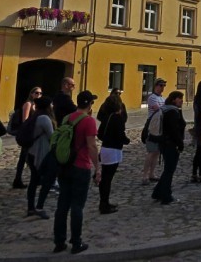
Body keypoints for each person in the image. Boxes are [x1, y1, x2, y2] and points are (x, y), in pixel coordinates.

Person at [53, 90, 100, 254]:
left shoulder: (68, 118)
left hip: (65, 164)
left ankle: (59, 241)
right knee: (77, 206)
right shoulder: (88, 121)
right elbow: (92, 146)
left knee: (62, 205)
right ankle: (76, 242)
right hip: (81, 166)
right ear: (89, 104)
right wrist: (98, 167)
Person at [97, 89, 129, 214]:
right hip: (114, 150)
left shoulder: (107, 117)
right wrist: (126, 140)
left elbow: (100, 134)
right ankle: (104, 204)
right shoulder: (117, 118)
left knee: (106, 178)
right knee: (107, 179)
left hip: (105, 149)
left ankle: (103, 202)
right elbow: (121, 136)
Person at [151, 91, 186, 205]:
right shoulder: (172, 112)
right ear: (173, 99)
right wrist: (180, 143)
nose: (181, 100)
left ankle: (157, 192)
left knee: (168, 169)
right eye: (179, 98)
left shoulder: (166, 109)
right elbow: (174, 130)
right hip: (170, 144)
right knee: (169, 170)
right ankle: (166, 195)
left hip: (164, 143)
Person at [26, 95, 55, 219]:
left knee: (33, 181)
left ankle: (31, 207)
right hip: (41, 153)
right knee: (47, 181)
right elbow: (52, 137)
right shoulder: (44, 118)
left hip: (32, 152)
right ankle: (39, 207)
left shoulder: (35, 116)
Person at [13, 85, 42, 189]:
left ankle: (33, 177)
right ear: (31, 94)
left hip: (33, 134)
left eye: (40, 93)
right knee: (24, 157)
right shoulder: (28, 104)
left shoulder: (36, 105)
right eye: (36, 93)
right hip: (27, 134)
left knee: (29, 157)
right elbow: (24, 120)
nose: (39, 95)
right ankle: (18, 179)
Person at [142, 78, 166, 185]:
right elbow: (159, 109)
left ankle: (152, 173)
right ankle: (145, 175)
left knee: (157, 152)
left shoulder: (162, 98)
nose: (162, 88)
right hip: (152, 127)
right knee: (151, 152)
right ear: (156, 86)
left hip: (160, 127)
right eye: (161, 85)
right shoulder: (152, 97)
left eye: (164, 85)